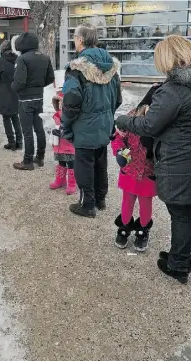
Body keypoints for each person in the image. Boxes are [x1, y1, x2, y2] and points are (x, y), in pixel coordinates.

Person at [114, 35, 191, 283]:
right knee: (190, 210)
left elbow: (149, 125)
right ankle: (182, 256)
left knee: (181, 213)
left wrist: (122, 120)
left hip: (182, 161)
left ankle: (178, 265)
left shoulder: (172, 90)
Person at [61, 23, 122, 217]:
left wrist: (66, 125)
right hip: (104, 124)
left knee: (84, 164)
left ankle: (87, 203)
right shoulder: (110, 67)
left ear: (80, 40)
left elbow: (71, 103)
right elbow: (118, 98)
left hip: (84, 125)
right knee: (100, 161)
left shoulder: (76, 69)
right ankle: (100, 198)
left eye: (75, 38)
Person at [111, 98, 158, 251]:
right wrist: (119, 151)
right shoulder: (132, 117)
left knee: (146, 204)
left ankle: (143, 230)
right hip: (129, 170)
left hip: (148, 173)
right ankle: (124, 227)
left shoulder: (161, 122)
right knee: (127, 201)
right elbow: (118, 137)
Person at [11, 32, 55, 170]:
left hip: (25, 99)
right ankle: (40, 157)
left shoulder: (22, 59)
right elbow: (50, 78)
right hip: (39, 97)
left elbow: (19, 81)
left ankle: (28, 161)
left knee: (27, 131)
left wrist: (13, 88)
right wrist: (38, 85)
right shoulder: (45, 57)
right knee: (39, 128)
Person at [0, 39, 22, 150]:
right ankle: (19, 142)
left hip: (3, 91)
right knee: (15, 117)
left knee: (6, 118)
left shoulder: (0, 61)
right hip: (15, 91)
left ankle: (11, 142)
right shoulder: (18, 60)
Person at [49, 92, 76, 195]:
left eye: (62, 103)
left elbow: (73, 130)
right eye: (58, 103)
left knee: (71, 164)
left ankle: (72, 183)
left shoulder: (71, 117)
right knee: (61, 163)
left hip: (69, 146)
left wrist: (61, 132)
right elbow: (52, 126)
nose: (60, 106)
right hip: (58, 145)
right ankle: (60, 180)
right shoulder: (56, 115)